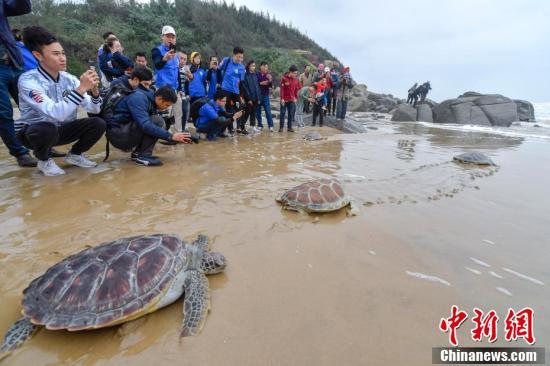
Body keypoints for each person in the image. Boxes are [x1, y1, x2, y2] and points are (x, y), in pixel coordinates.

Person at [14, 26, 106, 176]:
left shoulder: (69, 79)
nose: (63, 58)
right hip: (33, 133)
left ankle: (75, 155)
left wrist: (94, 91)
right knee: (45, 128)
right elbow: (56, 114)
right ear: (38, 55)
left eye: (63, 53)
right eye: (56, 54)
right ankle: (44, 160)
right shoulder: (28, 81)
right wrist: (82, 88)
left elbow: (94, 109)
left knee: (98, 123)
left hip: (61, 130)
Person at [108, 75, 191, 166]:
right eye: (166, 105)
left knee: (157, 122)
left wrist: (181, 137)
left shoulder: (149, 99)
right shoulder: (138, 98)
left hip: (125, 131)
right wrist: (171, 136)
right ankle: (143, 156)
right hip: (119, 136)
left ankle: (138, 154)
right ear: (160, 99)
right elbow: (145, 125)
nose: (165, 108)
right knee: (157, 121)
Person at [0, 0, 37, 167]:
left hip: (13, 62)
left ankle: (42, 144)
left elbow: (22, 7)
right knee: (4, 112)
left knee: (33, 103)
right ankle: (20, 153)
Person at [219, 46, 246, 135]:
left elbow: (242, 83)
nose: (240, 59)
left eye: (241, 57)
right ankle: (230, 129)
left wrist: (241, 96)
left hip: (236, 92)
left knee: (240, 108)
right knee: (228, 110)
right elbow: (219, 70)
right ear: (233, 55)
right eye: (238, 57)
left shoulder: (242, 67)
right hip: (225, 90)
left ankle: (240, 127)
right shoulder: (226, 61)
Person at [240, 60, 261, 133]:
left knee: (253, 112)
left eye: (254, 66)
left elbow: (257, 87)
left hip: (255, 97)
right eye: (252, 65)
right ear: (249, 66)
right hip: (248, 98)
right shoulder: (245, 75)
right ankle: (241, 126)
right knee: (247, 112)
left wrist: (258, 97)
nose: (253, 67)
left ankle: (253, 126)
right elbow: (245, 88)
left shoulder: (255, 75)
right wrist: (248, 99)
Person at [279, 64, 300, 133]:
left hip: (292, 99)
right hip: (284, 100)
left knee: (291, 113)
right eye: (294, 73)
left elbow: (297, 89)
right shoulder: (284, 79)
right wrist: (282, 98)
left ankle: (289, 127)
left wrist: (296, 98)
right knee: (282, 113)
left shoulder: (296, 80)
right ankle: (281, 127)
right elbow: (282, 89)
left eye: (296, 73)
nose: (295, 75)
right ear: (290, 72)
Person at [255, 61, 274, 132]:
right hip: (258, 96)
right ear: (261, 67)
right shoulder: (257, 74)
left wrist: (270, 80)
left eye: (267, 67)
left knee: (268, 111)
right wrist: (261, 83)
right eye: (265, 66)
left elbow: (271, 85)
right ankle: (260, 125)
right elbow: (254, 84)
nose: (266, 68)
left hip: (266, 95)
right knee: (258, 112)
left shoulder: (268, 75)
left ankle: (271, 126)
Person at [176, 51, 191, 131]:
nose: (183, 61)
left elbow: (187, 83)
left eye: (185, 59)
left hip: (183, 94)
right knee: (176, 113)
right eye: (181, 58)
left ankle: (182, 129)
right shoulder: (173, 68)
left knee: (185, 111)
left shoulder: (186, 69)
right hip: (174, 93)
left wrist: (188, 94)